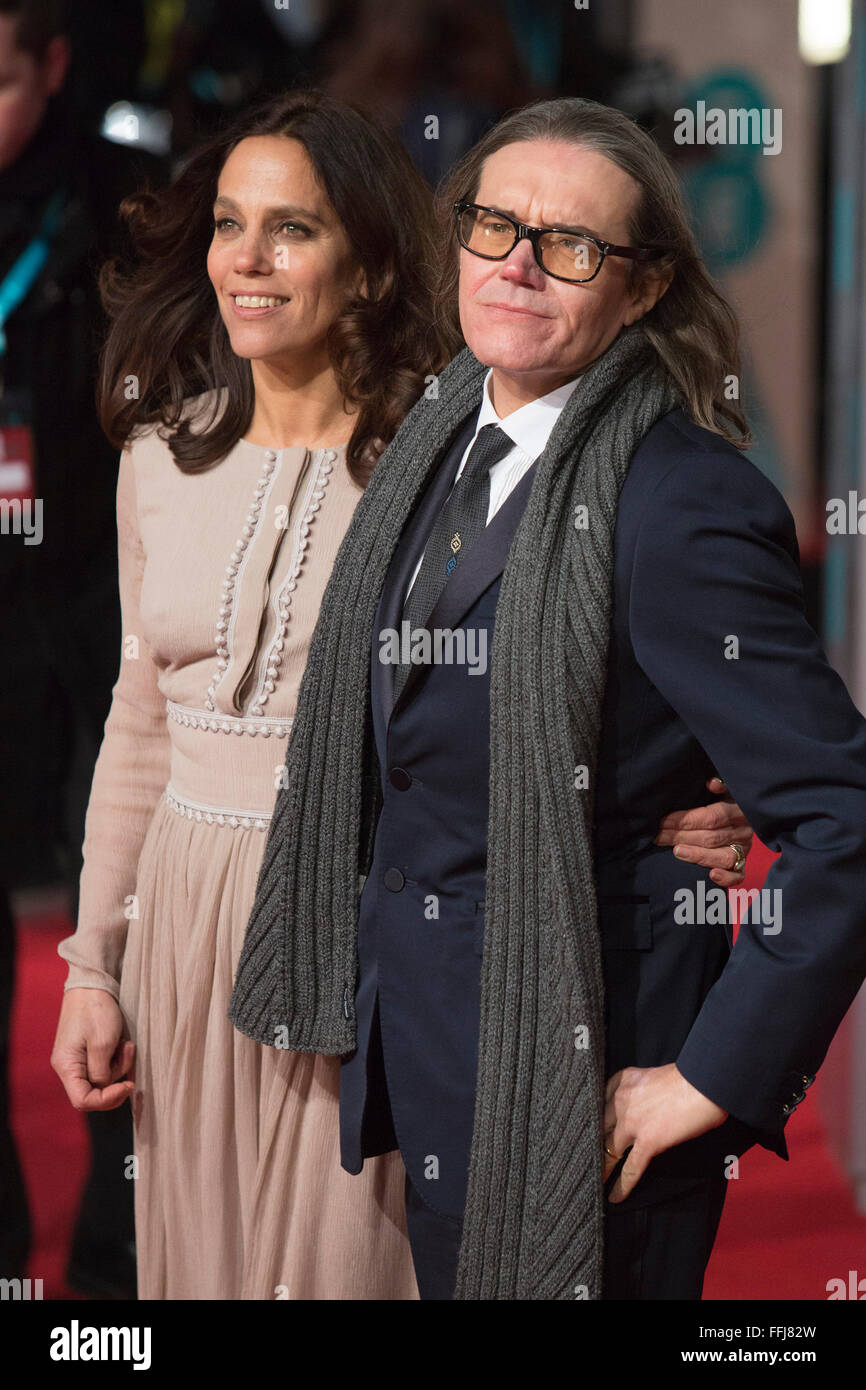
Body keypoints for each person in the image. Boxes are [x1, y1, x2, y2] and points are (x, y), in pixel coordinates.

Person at [229, 96, 866, 1301]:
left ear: (641, 288)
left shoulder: (681, 505)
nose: (517, 265)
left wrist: (712, 1078)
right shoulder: (432, 439)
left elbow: (845, 815)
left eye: (569, 246)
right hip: (426, 1055)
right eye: (494, 226)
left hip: (586, 1089)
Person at [50, 88, 457, 1300]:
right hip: (181, 920)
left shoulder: (435, 470)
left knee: (342, 1273)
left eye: (293, 228)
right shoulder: (158, 456)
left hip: (350, 921)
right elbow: (136, 730)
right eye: (231, 223)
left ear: (372, 269)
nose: (249, 258)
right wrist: (91, 967)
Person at [0, 0, 165, 1295]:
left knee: (117, 942)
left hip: (101, 618)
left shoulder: (128, 213)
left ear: (52, 67)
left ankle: (117, 1272)